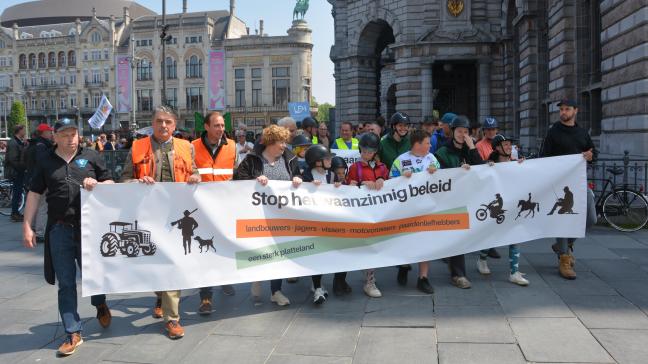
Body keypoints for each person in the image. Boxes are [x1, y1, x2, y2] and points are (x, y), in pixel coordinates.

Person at [22, 118, 113, 356]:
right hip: (59, 229)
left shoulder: (92, 156)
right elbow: (33, 193)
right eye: (65, 134)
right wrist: (27, 226)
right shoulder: (45, 161)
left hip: (90, 229)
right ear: (54, 136)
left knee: (94, 274)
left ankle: (99, 302)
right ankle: (73, 331)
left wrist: (99, 184)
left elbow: (111, 182)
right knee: (66, 282)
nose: (71, 138)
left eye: (74, 133)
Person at [120, 105, 201, 339]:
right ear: (152, 124)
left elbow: (194, 172)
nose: (163, 125)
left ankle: (172, 318)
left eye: (168, 122)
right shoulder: (137, 146)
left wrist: (196, 177)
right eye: (159, 121)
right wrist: (136, 182)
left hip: (176, 216)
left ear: (174, 125)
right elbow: (123, 179)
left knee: (173, 265)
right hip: (147, 217)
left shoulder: (186, 147)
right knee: (153, 263)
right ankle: (160, 296)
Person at [235, 124, 303, 306]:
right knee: (262, 249)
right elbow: (237, 181)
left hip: (282, 216)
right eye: (281, 142)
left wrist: (298, 179)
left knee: (279, 252)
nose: (284, 146)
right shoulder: (252, 160)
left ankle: (276, 291)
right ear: (270, 142)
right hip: (258, 216)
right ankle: (258, 276)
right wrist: (254, 181)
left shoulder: (289, 159)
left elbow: (297, 177)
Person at [540, 98, 597, 280]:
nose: (563, 112)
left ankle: (566, 244)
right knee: (563, 220)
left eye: (567, 109)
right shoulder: (553, 132)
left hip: (579, 184)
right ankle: (564, 258)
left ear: (575, 111)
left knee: (591, 218)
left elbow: (593, 152)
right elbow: (543, 157)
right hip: (559, 185)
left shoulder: (582, 132)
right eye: (561, 109)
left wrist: (590, 156)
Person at [191, 111, 238, 313]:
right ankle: (206, 297)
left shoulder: (233, 146)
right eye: (217, 125)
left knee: (224, 246)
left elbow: (236, 173)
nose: (221, 129)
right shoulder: (192, 146)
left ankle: (224, 278)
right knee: (205, 252)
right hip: (201, 207)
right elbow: (188, 171)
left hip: (225, 207)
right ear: (206, 127)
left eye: (222, 126)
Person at [434, 115, 484, 289]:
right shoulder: (442, 152)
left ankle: (456, 265)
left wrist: (472, 148)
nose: (463, 134)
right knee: (457, 235)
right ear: (453, 132)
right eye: (460, 131)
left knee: (461, 237)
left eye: (466, 132)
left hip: (469, 198)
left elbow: (481, 169)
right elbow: (440, 177)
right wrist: (458, 172)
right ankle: (458, 274)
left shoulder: (469, 150)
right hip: (450, 201)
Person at [389, 129, 440, 294]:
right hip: (406, 210)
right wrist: (401, 177)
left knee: (425, 243)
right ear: (417, 144)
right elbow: (390, 184)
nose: (430, 145)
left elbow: (444, 179)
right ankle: (403, 266)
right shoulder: (400, 160)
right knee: (406, 241)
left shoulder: (432, 158)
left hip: (426, 208)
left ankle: (423, 278)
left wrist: (435, 173)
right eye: (427, 143)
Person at [476, 134, 530, 286]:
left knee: (515, 236)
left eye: (510, 145)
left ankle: (514, 272)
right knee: (491, 236)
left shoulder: (515, 163)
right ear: (498, 148)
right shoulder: (490, 165)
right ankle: (482, 259)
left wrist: (523, 165)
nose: (509, 147)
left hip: (512, 205)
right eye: (505, 144)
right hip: (497, 206)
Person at [346, 132, 389, 298]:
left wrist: (382, 181)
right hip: (362, 213)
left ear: (376, 152)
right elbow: (350, 187)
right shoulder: (355, 168)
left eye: (370, 152)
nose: (366, 154)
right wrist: (361, 184)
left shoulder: (382, 167)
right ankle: (368, 279)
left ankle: (370, 278)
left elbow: (394, 185)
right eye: (364, 151)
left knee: (375, 246)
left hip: (380, 212)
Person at [302, 144, 340, 304]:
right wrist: (308, 187)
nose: (330, 160)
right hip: (312, 221)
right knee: (316, 254)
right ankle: (317, 288)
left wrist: (339, 187)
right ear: (317, 162)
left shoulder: (332, 175)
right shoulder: (306, 176)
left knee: (326, 255)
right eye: (326, 158)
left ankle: (317, 285)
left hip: (329, 221)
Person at [23, 123, 54, 243]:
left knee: (35, 205)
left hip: (31, 177)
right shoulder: (42, 146)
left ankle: (35, 227)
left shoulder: (32, 144)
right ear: (43, 133)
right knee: (42, 206)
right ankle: (41, 232)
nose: (51, 133)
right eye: (49, 131)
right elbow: (43, 163)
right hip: (39, 178)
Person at [328, 155, 354, 296]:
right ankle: (337, 282)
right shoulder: (327, 186)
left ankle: (341, 280)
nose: (341, 175)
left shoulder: (348, 184)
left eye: (343, 172)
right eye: (337, 173)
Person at [5, 125, 27, 222]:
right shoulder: (13, 143)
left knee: (18, 193)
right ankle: (14, 213)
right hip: (16, 172)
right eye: (24, 130)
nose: (25, 132)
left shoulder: (17, 141)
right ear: (19, 131)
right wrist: (22, 168)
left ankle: (16, 213)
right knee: (17, 193)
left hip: (18, 171)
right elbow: (13, 159)